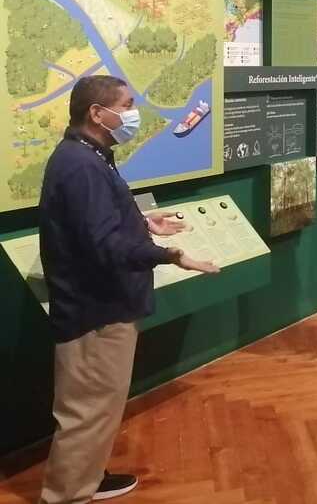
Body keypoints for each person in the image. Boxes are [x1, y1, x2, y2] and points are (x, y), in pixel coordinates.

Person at [38, 76, 219, 504]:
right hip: (93, 310)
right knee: (86, 410)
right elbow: (103, 244)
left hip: (107, 303)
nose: (133, 113)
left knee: (100, 405)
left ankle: (87, 478)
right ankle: (64, 495)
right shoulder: (79, 164)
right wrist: (171, 253)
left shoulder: (91, 155)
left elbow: (101, 220)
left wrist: (145, 224)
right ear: (97, 114)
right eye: (127, 104)